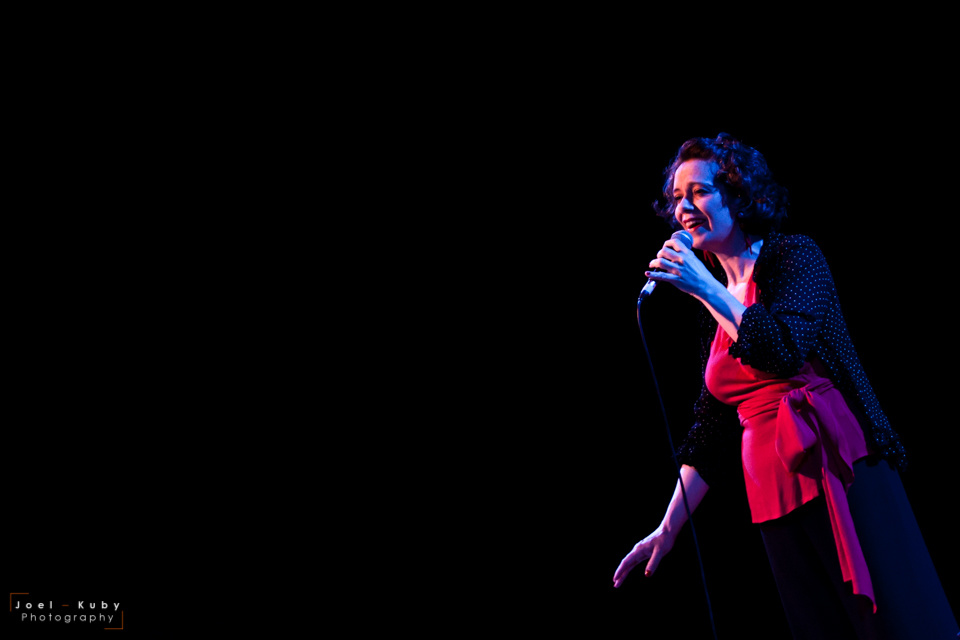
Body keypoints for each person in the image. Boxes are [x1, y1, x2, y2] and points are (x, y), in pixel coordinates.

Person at [611, 133, 958, 639]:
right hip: (771, 490)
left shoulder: (794, 257)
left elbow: (783, 350)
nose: (683, 208)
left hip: (839, 465)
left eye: (699, 192)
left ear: (738, 195)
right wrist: (668, 529)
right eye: (677, 198)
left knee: (895, 621)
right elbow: (711, 432)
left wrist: (704, 287)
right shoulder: (713, 305)